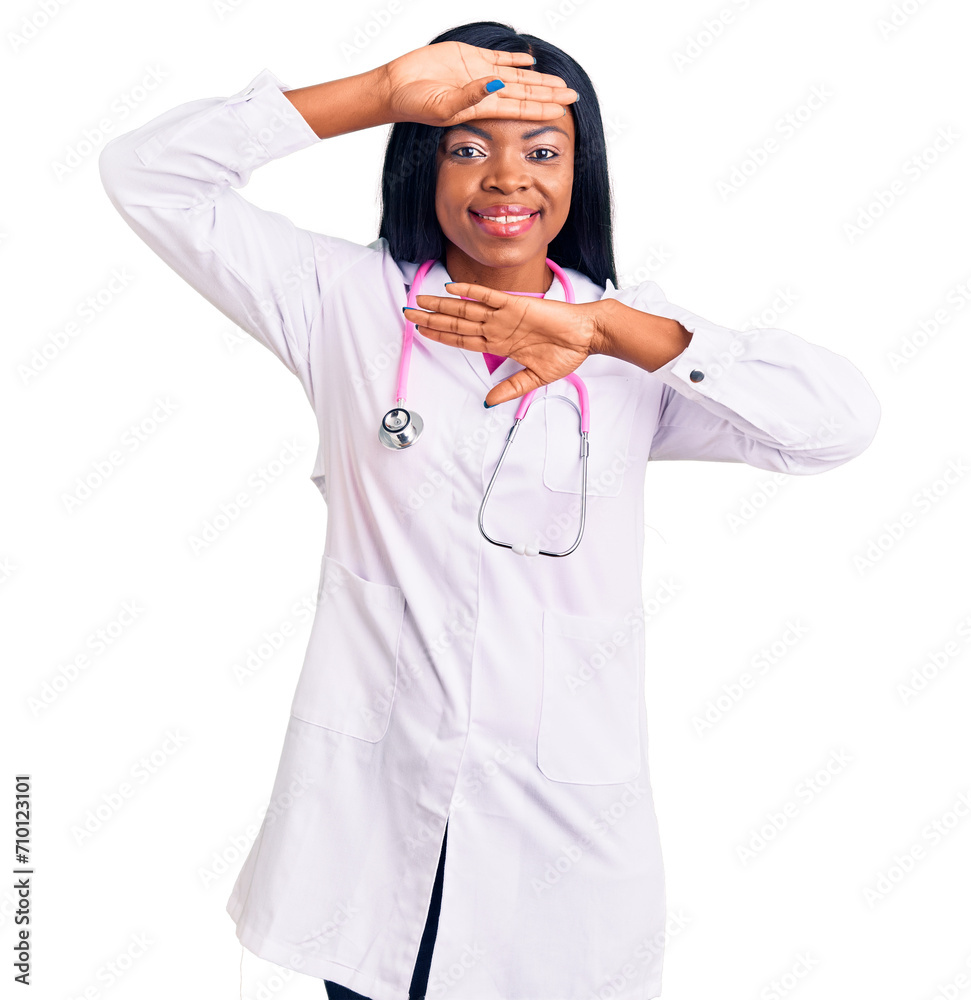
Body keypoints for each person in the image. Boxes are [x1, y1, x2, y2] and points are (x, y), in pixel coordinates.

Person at [98, 19, 881, 1000]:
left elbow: (838, 423)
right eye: (468, 146)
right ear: (422, 164)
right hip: (378, 832)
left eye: (542, 150)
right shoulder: (343, 303)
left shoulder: (635, 356)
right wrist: (377, 91)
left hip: (554, 854)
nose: (507, 179)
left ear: (578, 174)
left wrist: (610, 329)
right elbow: (147, 175)